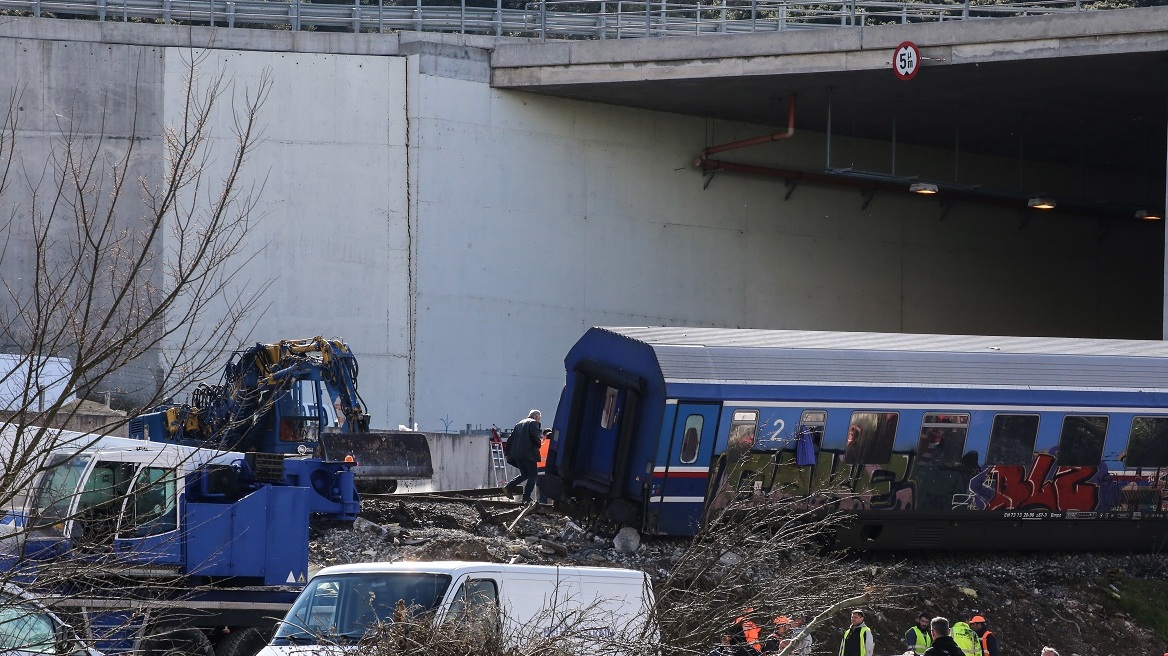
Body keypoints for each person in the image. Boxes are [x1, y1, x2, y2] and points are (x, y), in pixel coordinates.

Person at [504, 409, 543, 503]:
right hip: (528, 454)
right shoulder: (534, 423)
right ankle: (526, 497)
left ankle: (508, 487)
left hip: (517, 455)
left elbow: (510, 439)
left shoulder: (519, 424)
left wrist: (507, 453)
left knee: (525, 474)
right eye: (539, 419)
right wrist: (539, 444)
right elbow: (535, 436)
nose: (539, 421)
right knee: (533, 475)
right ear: (536, 417)